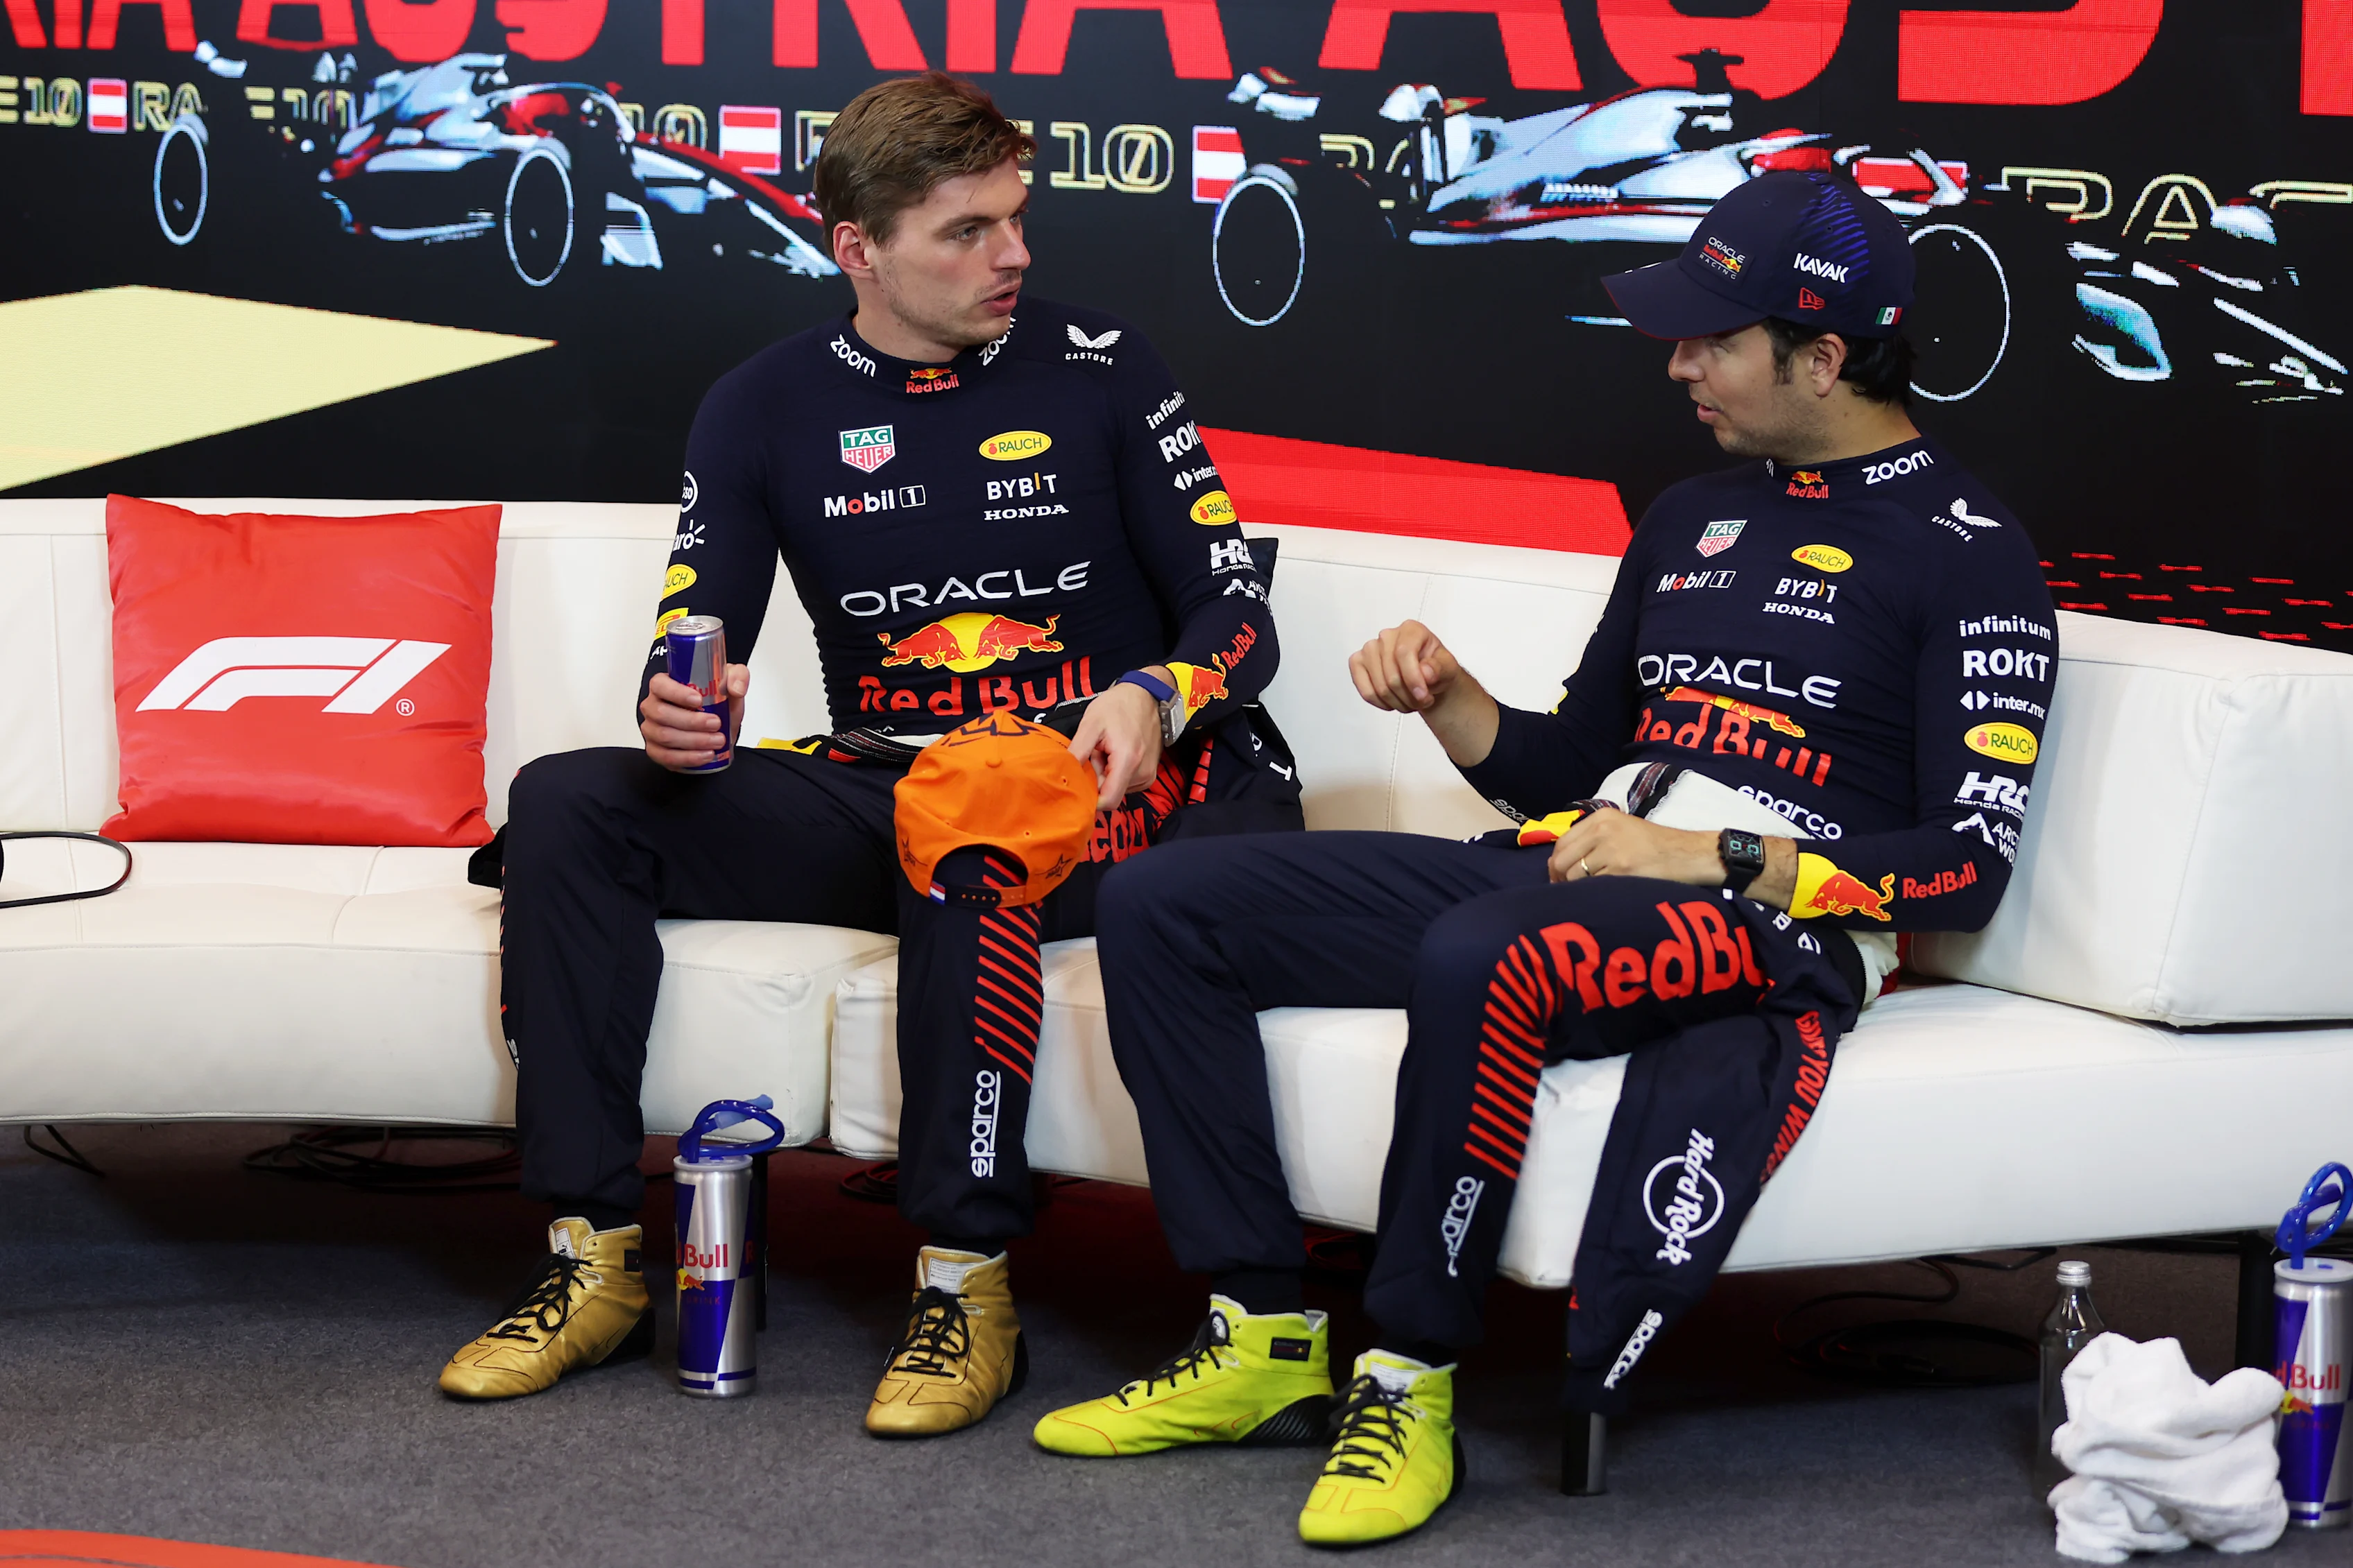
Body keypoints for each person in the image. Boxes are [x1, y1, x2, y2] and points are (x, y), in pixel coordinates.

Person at [1037, 170, 2059, 1545]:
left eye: (1714, 337)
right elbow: (1566, 760)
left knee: (1480, 953)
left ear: (1824, 354)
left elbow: (1963, 870)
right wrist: (1453, 695)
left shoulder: (1971, 558)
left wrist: (1716, 853)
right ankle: (1262, 1334)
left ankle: (1406, 1374)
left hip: (1769, 920)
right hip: (1576, 859)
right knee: (1161, 899)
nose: (1678, 359)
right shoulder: (1690, 513)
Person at [436, 72, 1300, 1437]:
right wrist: (678, 701)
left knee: (973, 827)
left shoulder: (1106, 364)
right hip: (886, 773)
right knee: (570, 801)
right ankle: (589, 1257)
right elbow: (696, 614)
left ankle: (967, 1286)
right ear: (859, 248)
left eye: (1015, 220)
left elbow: (1237, 610)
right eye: (966, 231)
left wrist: (1157, 687)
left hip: (1105, 781)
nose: (1011, 254)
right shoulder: (760, 404)